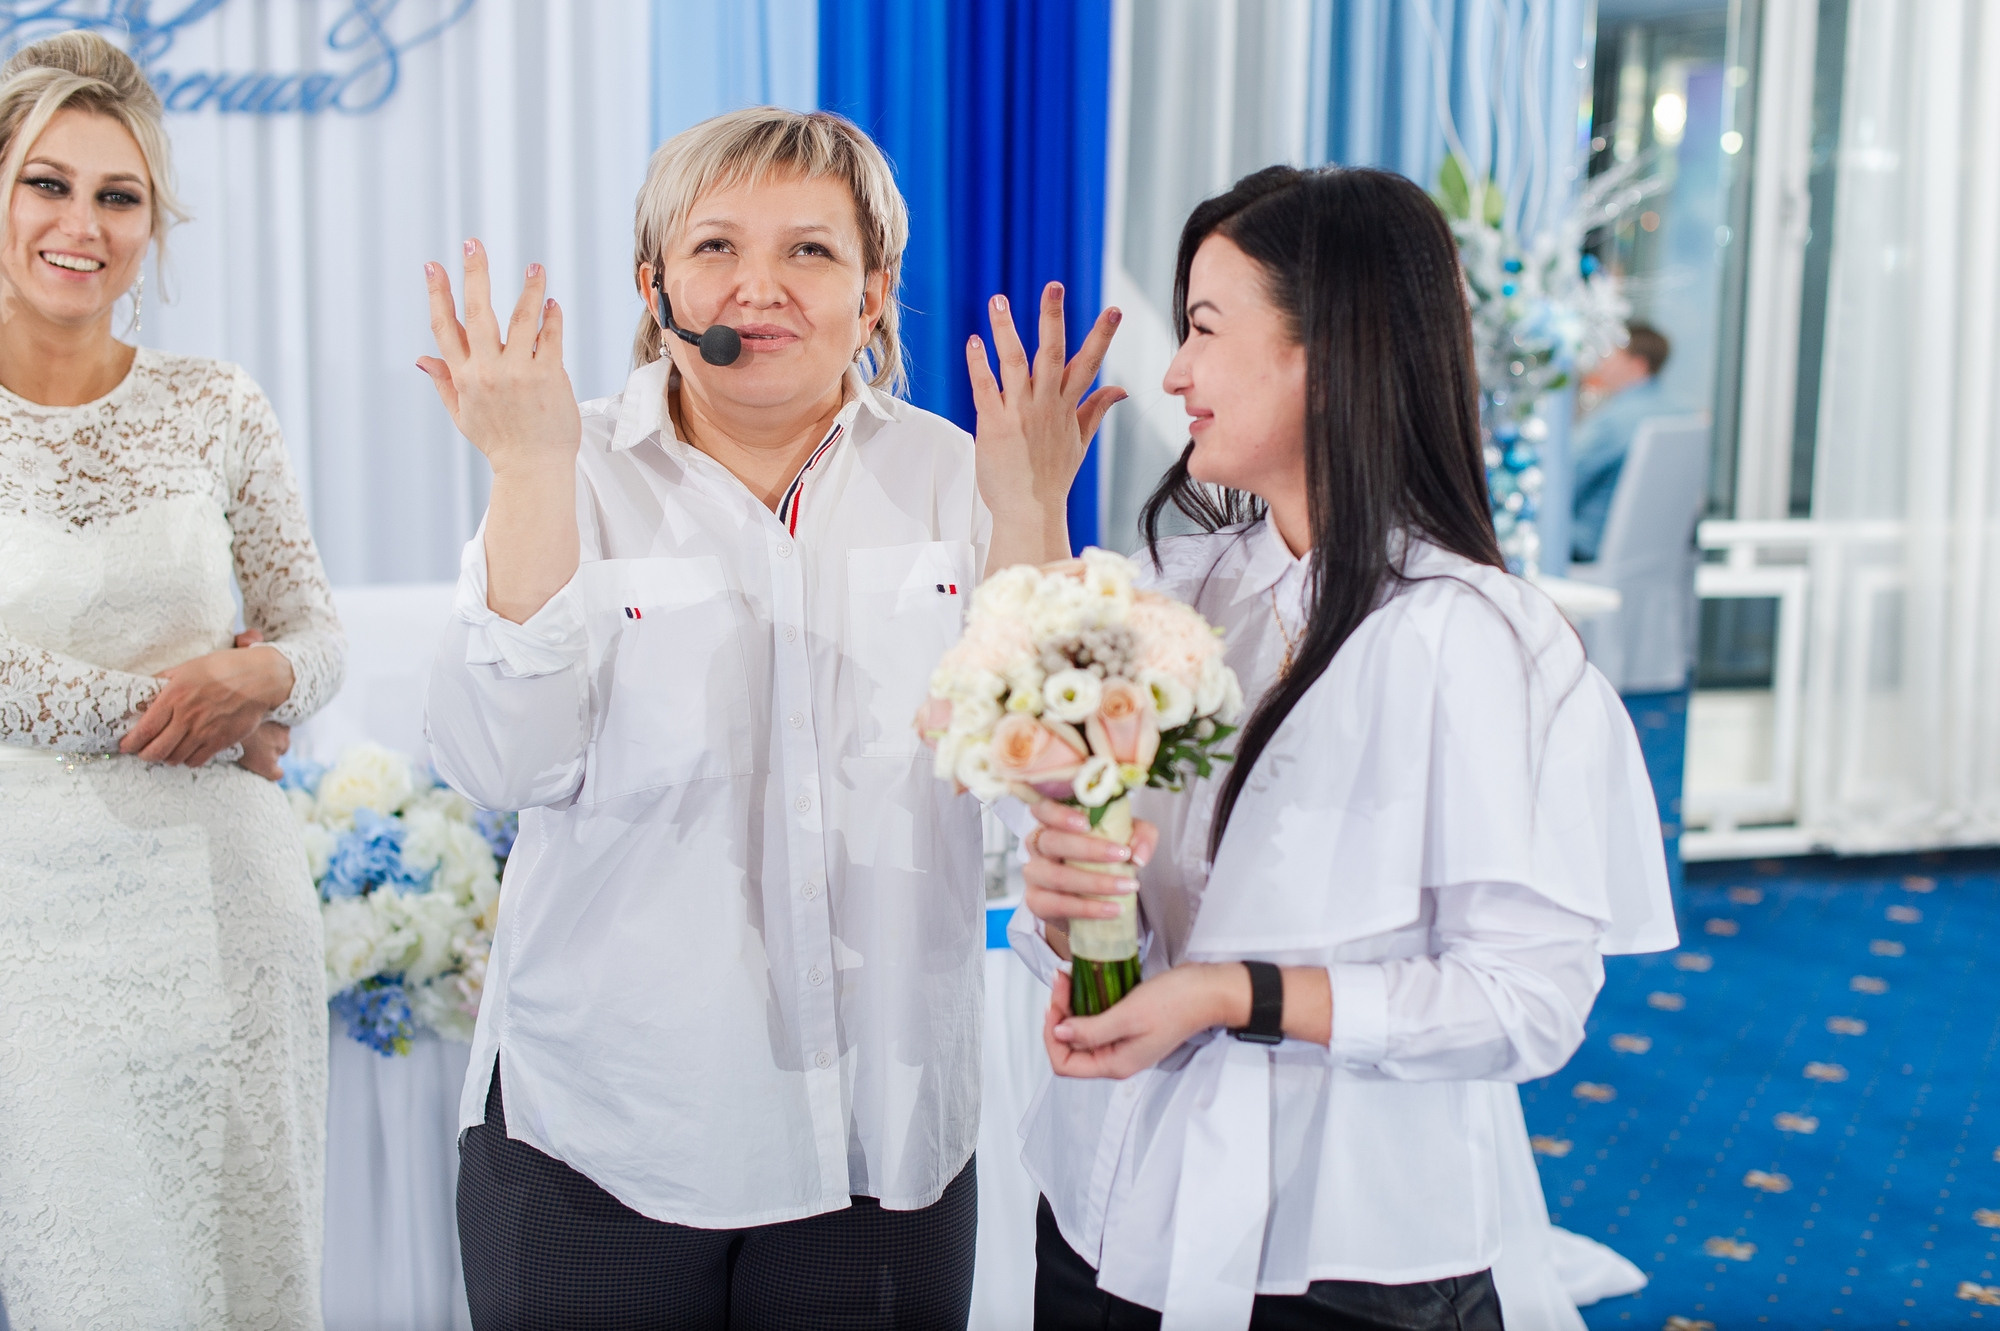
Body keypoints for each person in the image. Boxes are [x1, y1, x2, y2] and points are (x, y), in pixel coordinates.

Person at [421, 106, 1120, 1328]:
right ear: (653, 286)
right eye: (713, 249)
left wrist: (1030, 514)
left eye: (810, 251)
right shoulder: (560, 463)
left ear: (874, 290)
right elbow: (500, 760)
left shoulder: (961, 472)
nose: (761, 287)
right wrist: (527, 477)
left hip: (881, 1135)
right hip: (605, 1130)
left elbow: (1055, 777)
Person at [1010, 165, 1677, 1331]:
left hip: (1335, 1251)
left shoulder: (1477, 644)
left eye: (1205, 330)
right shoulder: (1184, 592)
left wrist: (1232, 994)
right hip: (1108, 1208)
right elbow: (1116, 898)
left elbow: (1523, 1001)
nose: (1171, 374)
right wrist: (1068, 910)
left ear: (1329, 355)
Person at [0, 32, 345, 1331]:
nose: (81, 223)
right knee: (91, 1283)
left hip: (233, 912)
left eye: (118, 194)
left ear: (154, 221)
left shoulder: (217, 404)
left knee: (254, 1283)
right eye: (48, 182)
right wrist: (199, 701)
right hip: (31, 927)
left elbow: (317, 627)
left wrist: (263, 671)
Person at [1569, 321, 1671, 563]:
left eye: (1609, 355)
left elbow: (1563, 481)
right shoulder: (1681, 415)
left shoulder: (1614, 421)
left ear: (1636, 365)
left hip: (1590, 546)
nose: (1600, 364)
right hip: (1649, 554)